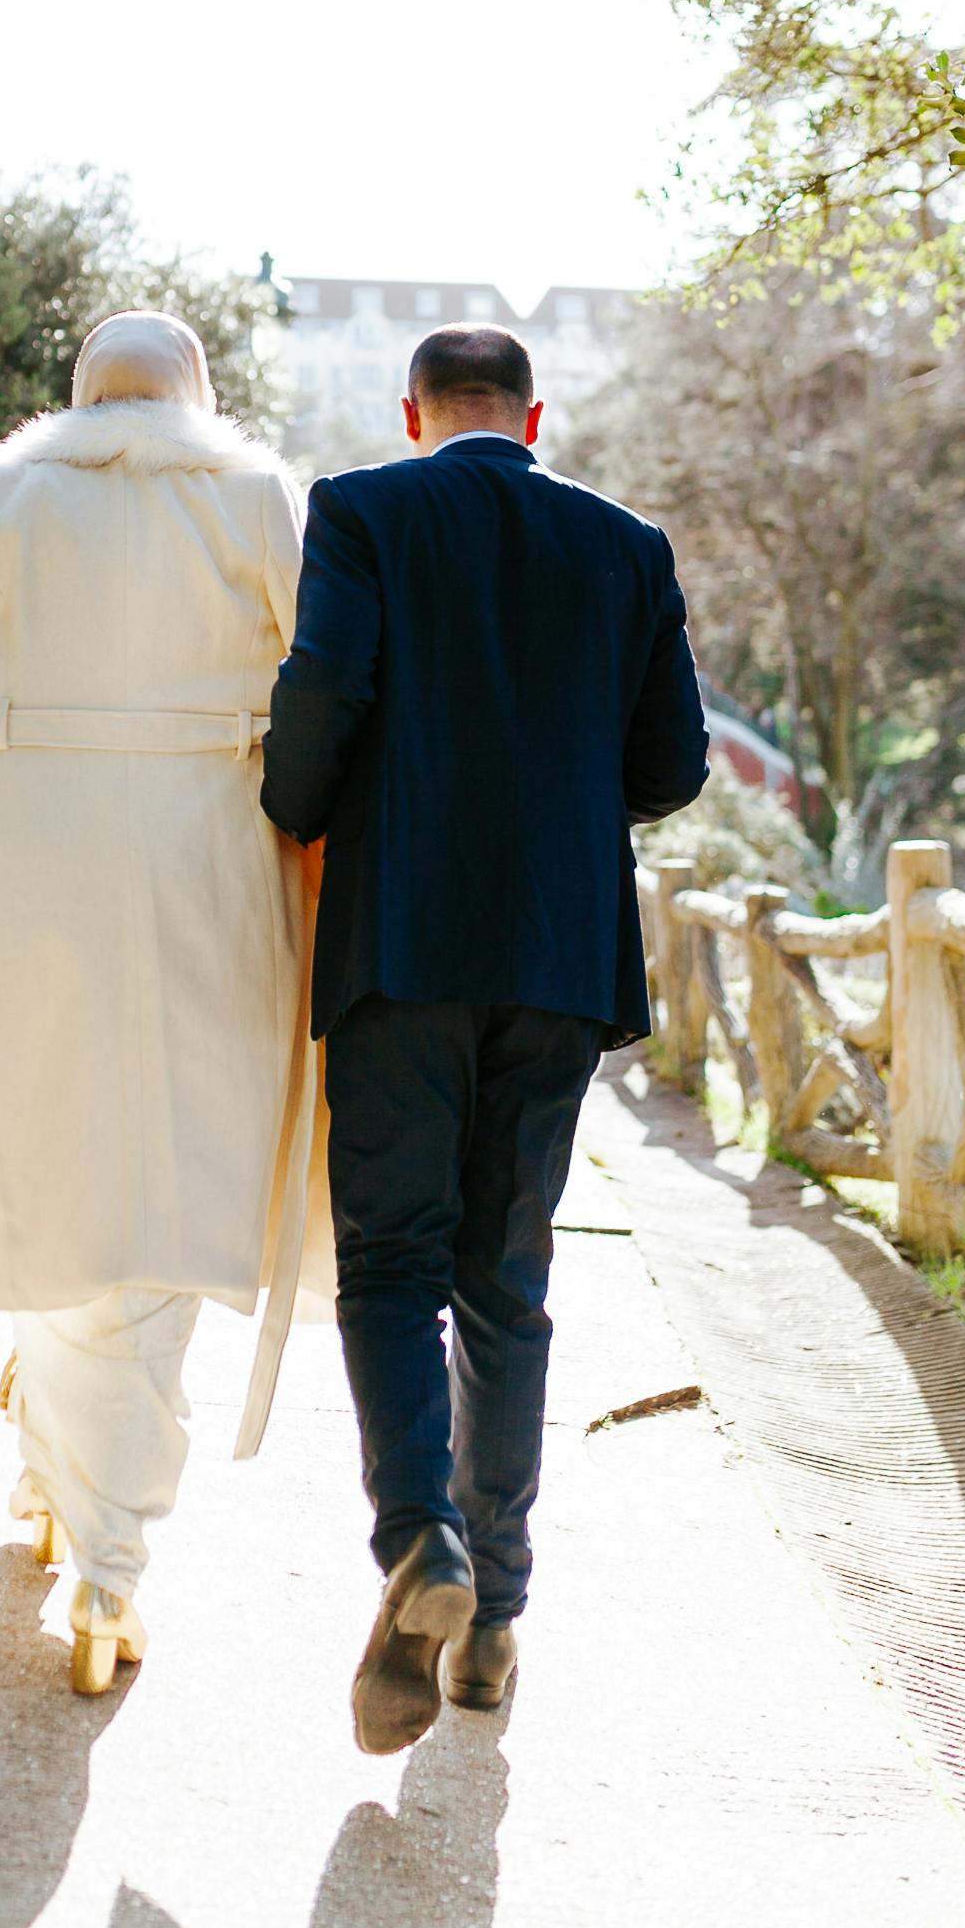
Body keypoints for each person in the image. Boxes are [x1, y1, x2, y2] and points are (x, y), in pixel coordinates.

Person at [0, 312, 316, 1696]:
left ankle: (72, 1506)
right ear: (197, 394)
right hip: (211, 873)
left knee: (43, 1173)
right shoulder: (259, 497)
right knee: (175, 1186)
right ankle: (108, 1565)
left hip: (10, 877)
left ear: (80, 392)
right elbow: (325, 697)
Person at [260, 322, 709, 1754]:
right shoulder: (625, 544)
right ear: (530, 415)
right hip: (559, 955)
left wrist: (295, 806)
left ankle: (420, 1539)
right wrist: (556, 801)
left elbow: (322, 695)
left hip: (398, 939)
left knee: (388, 1260)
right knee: (505, 1278)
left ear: (413, 413)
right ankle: (493, 1627)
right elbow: (673, 762)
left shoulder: (365, 509)